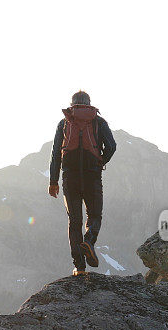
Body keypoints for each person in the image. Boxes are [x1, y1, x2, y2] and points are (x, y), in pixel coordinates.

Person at [48, 91, 117, 276]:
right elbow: (112, 146)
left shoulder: (64, 123)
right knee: (94, 214)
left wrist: (53, 181)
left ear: (72, 105)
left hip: (69, 177)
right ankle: (89, 240)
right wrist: (101, 161)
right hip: (92, 175)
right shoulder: (98, 121)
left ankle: (79, 267)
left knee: (74, 221)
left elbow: (56, 153)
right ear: (88, 104)